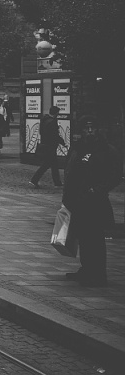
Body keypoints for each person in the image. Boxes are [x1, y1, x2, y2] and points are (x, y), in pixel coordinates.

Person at [61, 116, 122, 287]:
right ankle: (86, 269)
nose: (89, 131)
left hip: (95, 202)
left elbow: (115, 175)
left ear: (98, 130)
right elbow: (71, 170)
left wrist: (97, 190)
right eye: (86, 128)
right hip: (78, 201)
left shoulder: (107, 150)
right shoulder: (79, 148)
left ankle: (98, 273)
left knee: (95, 239)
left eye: (92, 128)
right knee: (83, 237)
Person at [30, 106, 65, 188]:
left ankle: (57, 182)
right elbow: (54, 135)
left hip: (46, 144)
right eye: (58, 113)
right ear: (56, 113)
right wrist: (62, 142)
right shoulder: (52, 122)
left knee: (53, 164)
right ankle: (34, 179)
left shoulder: (44, 119)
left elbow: (42, 132)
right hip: (50, 145)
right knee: (47, 164)